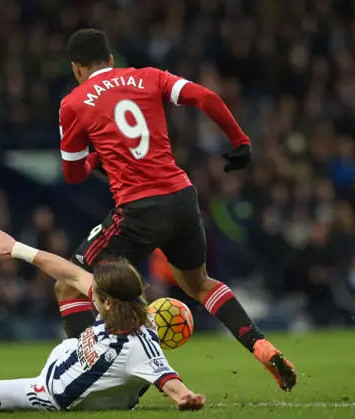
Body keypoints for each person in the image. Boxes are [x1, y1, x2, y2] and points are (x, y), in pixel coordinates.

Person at [57, 28, 297, 391]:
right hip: (182, 197)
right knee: (197, 283)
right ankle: (259, 343)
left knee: (67, 283)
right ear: (110, 60)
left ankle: (80, 371)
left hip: (137, 208)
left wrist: (94, 159)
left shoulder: (73, 103)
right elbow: (205, 96)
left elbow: (72, 174)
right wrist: (240, 141)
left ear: (76, 68)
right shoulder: (148, 76)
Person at [0, 230, 206, 414]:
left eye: (97, 293)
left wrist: (185, 397)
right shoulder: (125, 303)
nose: (92, 291)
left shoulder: (139, 347)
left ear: (107, 302)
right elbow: (69, 272)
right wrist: (16, 248)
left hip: (47, 392)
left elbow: (168, 378)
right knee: (65, 285)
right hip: (68, 353)